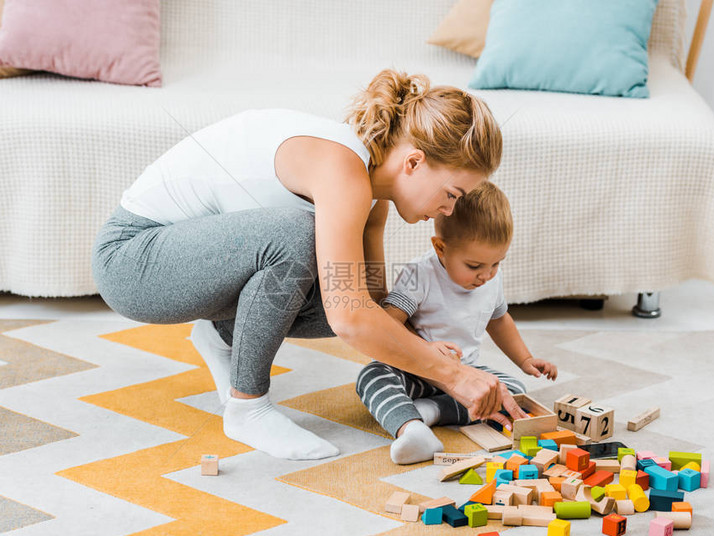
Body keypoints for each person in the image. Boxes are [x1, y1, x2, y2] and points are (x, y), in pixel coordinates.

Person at [91, 68, 526, 461]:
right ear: (413, 162)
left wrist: (420, 347)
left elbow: (369, 303)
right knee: (300, 237)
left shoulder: (370, 189)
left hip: (189, 266)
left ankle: (221, 333)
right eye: (451, 194)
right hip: (132, 262)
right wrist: (454, 376)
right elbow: (351, 320)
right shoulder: (342, 168)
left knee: (337, 281)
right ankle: (247, 408)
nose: (450, 211)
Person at [356, 182, 558, 464]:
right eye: (474, 266)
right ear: (441, 248)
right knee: (372, 376)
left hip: (466, 372)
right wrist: (426, 349)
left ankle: (428, 412)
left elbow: (499, 321)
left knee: (513, 389)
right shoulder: (419, 274)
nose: (486, 275)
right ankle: (411, 429)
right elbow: (389, 322)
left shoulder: (490, 279)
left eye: (496, 263)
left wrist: (525, 359)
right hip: (414, 370)